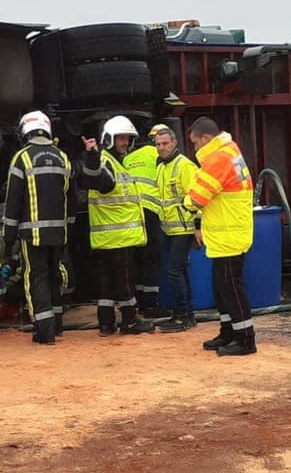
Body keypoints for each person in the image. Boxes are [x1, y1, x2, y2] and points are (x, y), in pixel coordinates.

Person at [185, 116, 257, 355]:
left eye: (196, 143)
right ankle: (229, 332)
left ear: (206, 139)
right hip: (227, 234)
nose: (195, 149)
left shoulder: (218, 159)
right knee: (222, 288)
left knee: (231, 289)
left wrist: (186, 200)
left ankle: (246, 339)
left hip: (229, 236)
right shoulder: (228, 151)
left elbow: (196, 199)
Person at [78, 114, 154, 336]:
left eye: (127, 139)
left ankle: (106, 324)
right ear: (109, 139)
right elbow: (100, 181)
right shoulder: (105, 161)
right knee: (125, 283)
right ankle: (130, 322)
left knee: (107, 284)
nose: (125, 143)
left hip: (108, 238)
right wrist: (91, 155)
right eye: (121, 138)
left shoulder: (115, 162)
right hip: (119, 238)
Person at [1, 109, 71, 345]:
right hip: (58, 233)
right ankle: (58, 325)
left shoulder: (22, 158)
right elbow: (70, 198)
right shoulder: (62, 157)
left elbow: (13, 201)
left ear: (24, 131)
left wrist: (7, 240)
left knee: (36, 279)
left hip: (33, 235)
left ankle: (45, 331)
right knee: (53, 276)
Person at [151, 122, 200, 331]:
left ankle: (181, 315)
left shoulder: (184, 166)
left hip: (184, 227)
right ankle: (187, 314)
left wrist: (198, 227)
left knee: (173, 271)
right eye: (158, 144)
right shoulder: (162, 166)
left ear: (174, 143)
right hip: (170, 228)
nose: (161, 147)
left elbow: (197, 198)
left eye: (164, 143)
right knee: (180, 271)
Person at [122, 125, 163, 317]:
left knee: (136, 258)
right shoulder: (160, 157)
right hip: (151, 212)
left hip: (131, 213)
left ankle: (136, 301)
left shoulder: (129, 158)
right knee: (152, 258)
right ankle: (151, 305)